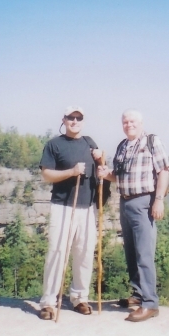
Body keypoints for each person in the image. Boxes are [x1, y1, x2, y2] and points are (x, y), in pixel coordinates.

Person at [97, 109, 169, 322]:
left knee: (144, 254)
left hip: (144, 202)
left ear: (141, 123)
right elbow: (118, 176)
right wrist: (106, 174)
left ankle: (150, 304)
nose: (129, 125)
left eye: (132, 121)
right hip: (125, 202)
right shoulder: (122, 146)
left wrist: (158, 200)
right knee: (131, 252)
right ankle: (138, 295)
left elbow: (163, 170)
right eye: (125, 122)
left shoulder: (151, 141)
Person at [38, 106, 102, 320]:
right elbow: (46, 175)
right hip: (63, 206)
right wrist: (71, 172)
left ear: (83, 121)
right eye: (71, 117)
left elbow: (101, 169)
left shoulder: (90, 142)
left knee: (84, 253)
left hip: (87, 207)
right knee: (57, 252)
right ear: (64, 120)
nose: (75, 121)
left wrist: (101, 160)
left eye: (79, 118)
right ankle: (48, 302)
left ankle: (80, 298)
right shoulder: (54, 145)